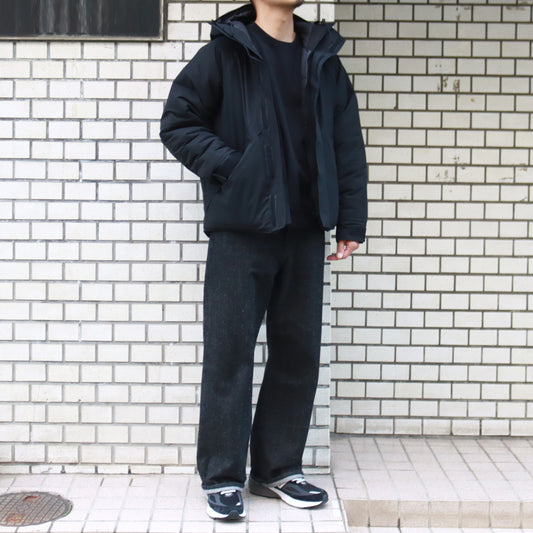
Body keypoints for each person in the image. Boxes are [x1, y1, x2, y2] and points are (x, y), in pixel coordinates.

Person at [160, 0, 367, 521]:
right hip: (242, 230)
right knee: (229, 354)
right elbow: (179, 123)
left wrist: (351, 220)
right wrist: (235, 167)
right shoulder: (224, 54)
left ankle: (277, 469)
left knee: (298, 353)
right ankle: (223, 476)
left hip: (305, 230)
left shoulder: (323, 58)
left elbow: (346, 143)